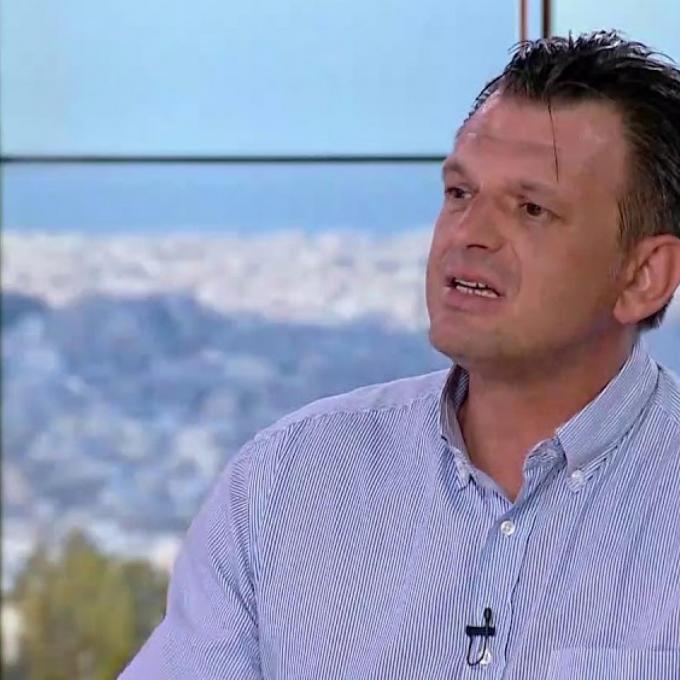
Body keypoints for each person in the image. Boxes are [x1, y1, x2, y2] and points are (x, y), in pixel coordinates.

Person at [120, 30, 680, 679]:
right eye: (460, 193)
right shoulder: (285, 485)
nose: (469, 234)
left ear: (644, 276)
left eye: (531, 209)